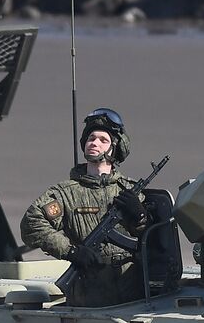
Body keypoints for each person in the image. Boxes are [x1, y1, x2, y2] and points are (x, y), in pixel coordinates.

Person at [20, 107, 149, 306]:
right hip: (89, 293)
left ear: (115, 147)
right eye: (91, 138)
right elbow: (32, 224)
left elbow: (156, 239)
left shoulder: (130, 191)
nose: (94, 143)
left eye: (103, 140)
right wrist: (71, 251)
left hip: (131, 290)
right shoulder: (66, 193)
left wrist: (141, 217)